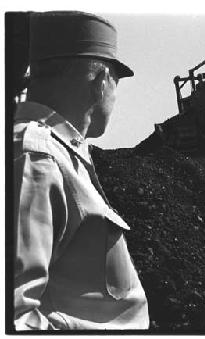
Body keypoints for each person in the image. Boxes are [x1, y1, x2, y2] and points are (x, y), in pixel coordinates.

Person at [13, 11, 149, 330]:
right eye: (116, 82)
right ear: (102, 81)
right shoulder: (36, 154)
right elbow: (13, 318)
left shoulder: (54, 152)